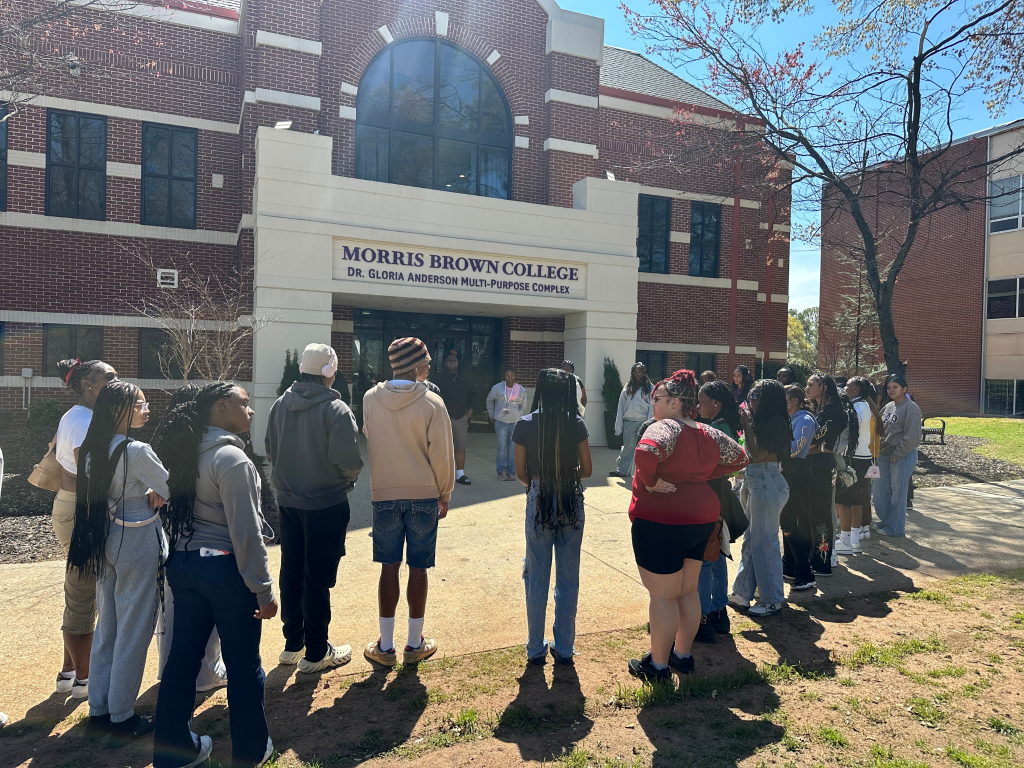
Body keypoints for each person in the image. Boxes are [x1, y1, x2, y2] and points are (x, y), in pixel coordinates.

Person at [153, 383, 277, 768]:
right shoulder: (231, 459)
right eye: (244, 403)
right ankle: (251, 752)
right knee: (243, 665)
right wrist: (264, 590)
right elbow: (246, 534)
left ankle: (173, 753)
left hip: (185, 567)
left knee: (182, 661)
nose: (251, 410)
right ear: (221, 407)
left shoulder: (180, 453)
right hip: (225, 571)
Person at [625, 370, 748, 681]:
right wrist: (703, 473)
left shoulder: (665, 426)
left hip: (661, 520)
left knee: (664, 596)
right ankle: (682, 655)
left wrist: (651, 481)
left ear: (675, 402)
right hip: (701, 518)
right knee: (687, 591)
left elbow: (646, 450)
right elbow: (741, 457)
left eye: (658, 399)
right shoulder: (707, 431)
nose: (653, 403)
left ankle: (658, 665)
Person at [67, 382, 166, 743]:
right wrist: (154, 490)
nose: (147, 408)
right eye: (141, 403)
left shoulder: (93, 448)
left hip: (103, 541)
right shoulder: (138, 450)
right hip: (137, 540)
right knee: (135, 628)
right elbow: (169, 487)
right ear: (120, 410)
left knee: (108, 625)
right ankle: (122, 715)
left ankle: (100, 709)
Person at [265, 343, 363, 673]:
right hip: (326, 502)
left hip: (288, 501)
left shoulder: (280, 404)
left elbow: (270, 448)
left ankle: (293, 645)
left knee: (291, 570)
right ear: (329, 372)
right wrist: (348, 479)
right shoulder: (336, 410)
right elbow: (348, 460)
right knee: (317, 576)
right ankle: (317, 652)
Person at [361, 338, 455, 667]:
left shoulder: (370, 398)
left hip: (384, 493)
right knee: (418, 567)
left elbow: (371, 435)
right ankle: (414, 644)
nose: (429, 366)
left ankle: (385, 647)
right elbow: (443, 456)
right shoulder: (432, 403)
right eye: (426, 362)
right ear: (414, 366)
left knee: (389, 567)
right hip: (424, 495)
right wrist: (444, 493)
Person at [512, 368, 592, 664]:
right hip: (570, 498)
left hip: (539, 496)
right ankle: (565, 647)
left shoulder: (524, 424)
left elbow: (521, 474)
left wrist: (537, 483)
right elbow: (587, 470)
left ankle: (535, 647)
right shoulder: (576, 423)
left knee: (536, 577)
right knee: (568, 578)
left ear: (541, 392)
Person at [51, 358, 118, 701]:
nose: (115, 380)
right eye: (107, 377)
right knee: (82, 596)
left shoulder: (79, 416)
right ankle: (85, 682)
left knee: (83, 591)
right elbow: (92, 474)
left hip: (76, 508)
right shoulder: (84, 421)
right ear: (87, 384)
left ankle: (69, 673)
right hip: (83, 511)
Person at [153, 384, 227, 694]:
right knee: (207, 605)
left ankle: (169, 668)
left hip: (166, 540)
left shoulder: (161, 446)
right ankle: (208, 673)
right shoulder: (206, 449)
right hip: (202, 542)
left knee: (169, 606)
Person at [728, 380, 792, 617]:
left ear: (768, 399)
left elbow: (757, 453)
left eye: (757, 396)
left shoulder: (776, 422)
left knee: (765, 542)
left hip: (767, 479)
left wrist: (745, 424)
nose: (752, 400)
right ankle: (742, 593)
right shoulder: (764, 421)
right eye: (752, 395)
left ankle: (772, 599)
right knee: (752, 539)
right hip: (756, 478)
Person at [694, 379, 744, 642]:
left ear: (716, 403)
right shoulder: (723, 425)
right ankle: (718, 612)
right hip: (719, 495)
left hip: (711, 495)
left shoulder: (715, 429)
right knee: (718, 555)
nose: (698, 405)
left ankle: (702, 618)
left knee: (705, 558)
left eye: (701, 400)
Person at [803, 373, 845, 577]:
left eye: (811, 384)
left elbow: (815, 439)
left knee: (820, 516)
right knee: (810, 514)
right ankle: (812, 558)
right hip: (811, 465)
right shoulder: (816, 410)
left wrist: (808, 446)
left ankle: (822, 562)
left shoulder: (833, 411)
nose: (807, 387)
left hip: (823, 468)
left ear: (824, 386)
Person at [874, 375, 922, 537]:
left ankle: (895, 528)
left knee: (898, 493)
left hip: (902, 455)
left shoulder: (911, 408)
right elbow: (879, 428)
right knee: (880, 491)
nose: (891, 390)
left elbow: (913, 436)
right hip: (884, 454)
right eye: (889, 387)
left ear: (904, 389)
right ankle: (886, 520)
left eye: (895, 387)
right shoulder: (888, 406)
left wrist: (898, 453)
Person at [780, 385, 818, 590]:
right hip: (789, 472)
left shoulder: (804, 420)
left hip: (798, 473)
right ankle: (789, 565)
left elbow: (796, 449)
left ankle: (805, 572)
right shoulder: (791, 419)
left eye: (784, 400)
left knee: (788, 521)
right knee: (785, 521)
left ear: (793, 401)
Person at [835, 378, 874, 555]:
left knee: (842, 499)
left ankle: (845, 540)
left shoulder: (858, 407)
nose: (845, 387)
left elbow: (849, 427)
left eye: (848, 385)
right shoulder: (863, 405)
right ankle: (854, 539)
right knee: (855, 498)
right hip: (862, 456)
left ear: (856, 389)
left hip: (854, 457)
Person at [435, 350, 475, 486]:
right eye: (450, 360)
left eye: (455, 360)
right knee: (441, 447)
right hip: (442, 418)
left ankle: (460, 474)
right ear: (445, 363)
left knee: (460, 446)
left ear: (458, 363)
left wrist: (470, 411)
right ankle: (442, 475)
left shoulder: (466, 378)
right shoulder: (438, 379)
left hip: (460, 417)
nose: (452, 362)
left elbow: (473, 396)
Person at [610, 363, 654, 478]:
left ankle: (640, 473)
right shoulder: (628, 387)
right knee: (628, 446)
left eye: (639, 371)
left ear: (644, 373)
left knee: (642, 448)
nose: (637, 373)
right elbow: (621, 406)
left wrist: (649, 424)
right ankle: (622, 470)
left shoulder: (650, 388)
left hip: (643, 421)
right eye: (635, 371)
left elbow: (652, 407)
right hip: (628, 421)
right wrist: (618, 427)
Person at [486, 365, 528, 481]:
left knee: (512, 447)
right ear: (504, 376)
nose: (510, 377)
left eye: (512, 375)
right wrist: (492, 414)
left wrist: (517, 413)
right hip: (501, 422)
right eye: (507, 375)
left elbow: (524, 406)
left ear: (515, 376)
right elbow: (489, 400)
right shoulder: (497, 388)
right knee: (502, 447)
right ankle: (501, 471)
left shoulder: (521, 389)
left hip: (515, 422)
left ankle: (511, 471)